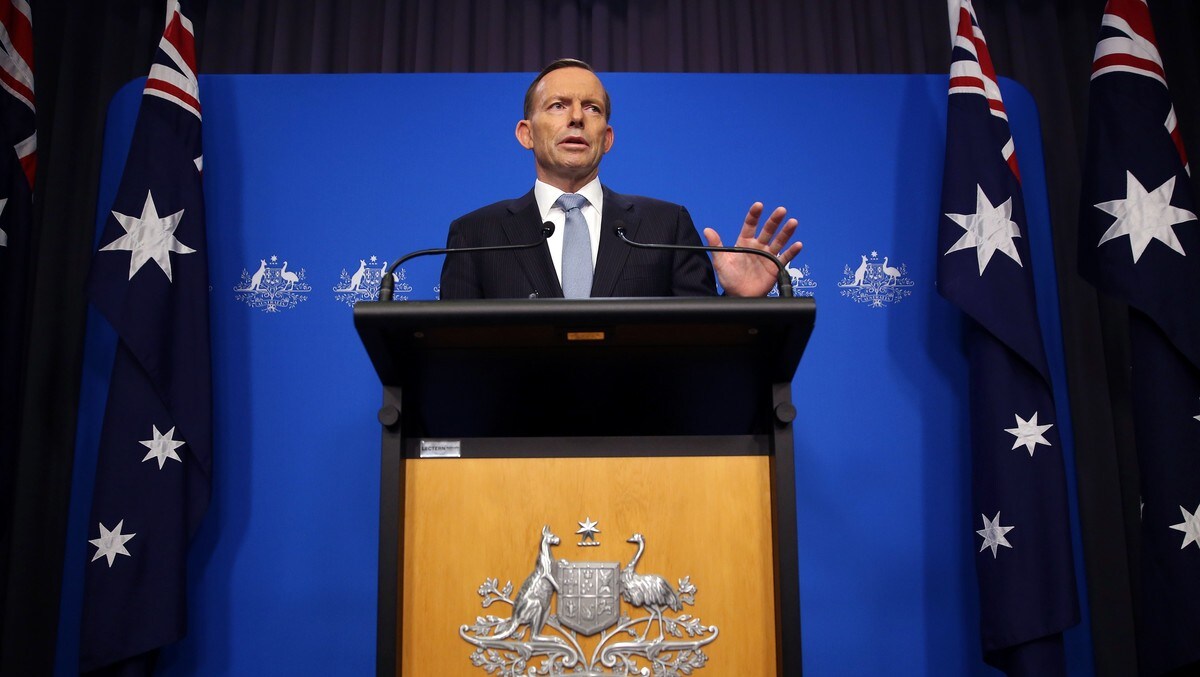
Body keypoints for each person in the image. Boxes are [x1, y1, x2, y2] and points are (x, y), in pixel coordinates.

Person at [439, 58, 803, 299]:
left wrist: (738, 301)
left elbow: (701, 350)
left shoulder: (666, 226)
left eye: (592, 108)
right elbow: (454, 355)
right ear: (526, 133)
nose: (577, 118)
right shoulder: (475, 235)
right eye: (558, 105)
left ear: (607, 138)